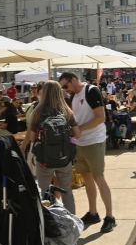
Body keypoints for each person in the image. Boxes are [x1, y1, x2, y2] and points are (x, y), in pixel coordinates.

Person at [59, 72, 114, 232]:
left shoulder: (91, 91)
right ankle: (93, 212)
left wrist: (77, 129)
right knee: (86, 178)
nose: (65, 90)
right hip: (80, 143)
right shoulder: (74, 96)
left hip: (94, 141)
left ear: (74, 80)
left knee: (99, 178)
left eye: (66, 86)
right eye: (63, 88)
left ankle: (110, 216)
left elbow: (100, 117)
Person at [27, 80, 79, 214]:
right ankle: (72, 225)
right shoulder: (66, 111)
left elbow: (32, 138)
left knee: (42, 193)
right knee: (67, 192)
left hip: (44, 160)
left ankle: (43, 225)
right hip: (64, 158)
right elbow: (77, 134)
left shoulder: (38, 111)